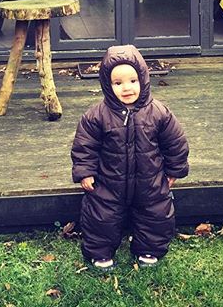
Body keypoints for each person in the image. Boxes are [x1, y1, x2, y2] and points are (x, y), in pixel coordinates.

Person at [71, 44, 189, 270]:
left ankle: (149, 249)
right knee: (101, 216)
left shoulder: (158, 112)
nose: (126, 88)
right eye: (118, 83)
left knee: (155, 214)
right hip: (109, 182)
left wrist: (174, 170)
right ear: (107, 85)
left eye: (133, 81)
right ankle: (100, 252)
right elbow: (85, 146)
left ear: (143, 79)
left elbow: (175, 142)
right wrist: (85, 172)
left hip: (150, 180)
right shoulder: (96, 115)